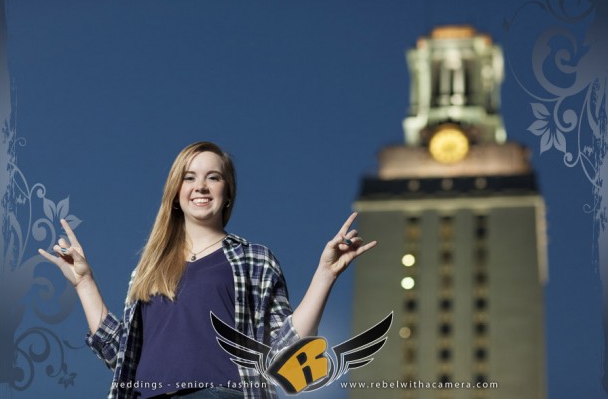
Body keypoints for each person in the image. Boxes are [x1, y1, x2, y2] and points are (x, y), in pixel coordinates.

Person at [38, 141, 377, 399]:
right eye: (190, 177)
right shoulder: (148, 269)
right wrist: (84, 282)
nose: (200, 186)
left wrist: (325, 275)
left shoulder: (254, 260)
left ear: (227, 193)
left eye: (213, 177)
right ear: (176, 192)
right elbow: (120, 354)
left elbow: (284, 352)